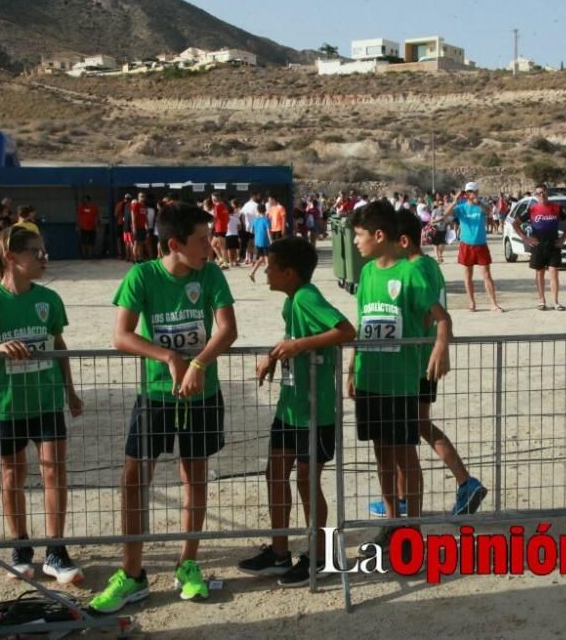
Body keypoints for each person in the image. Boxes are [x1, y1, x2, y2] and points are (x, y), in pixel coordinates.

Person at [90, 201, 237, 613]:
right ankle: (132, 575)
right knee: (134, 479)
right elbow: (121, 335)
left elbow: (227, 328)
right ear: (174, 244)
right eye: (203, 240)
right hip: (154, 396)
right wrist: (169, 358)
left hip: (203, 395)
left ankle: (188, 564)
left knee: (195, 478)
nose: (211, 247)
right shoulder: (141, 276)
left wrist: (198, 364)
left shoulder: (210, 275)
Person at [0, 226, 85, 582]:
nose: (44, 258)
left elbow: (59, 346)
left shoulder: (49, 298)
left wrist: (70, 391)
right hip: (6, 405)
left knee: (54, 472)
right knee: (13, 474)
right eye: (36, 252)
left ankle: (56, 551)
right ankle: (20, 548)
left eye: (44, 251)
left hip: (46, 402)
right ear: (11, 258)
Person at [238, 237, 356, 587]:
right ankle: (278, 552)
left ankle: (320, 557)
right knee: (275, 473)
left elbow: (345, 330)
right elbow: (292, 336)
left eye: (271, 266)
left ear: (289, 272)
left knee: (306, 480)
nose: (266, 271)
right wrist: (275, 356)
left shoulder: (307, 297)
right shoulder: (292, 302)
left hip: (314, 412)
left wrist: (297, 346)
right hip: (289, 407)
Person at [347, 200, 452, 556]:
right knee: (382, 455)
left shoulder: (412, 272)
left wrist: (441, 346)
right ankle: (391, 525)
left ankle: (413, 532)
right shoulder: (366, 274)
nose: (356, 243)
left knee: (405, 455)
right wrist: (351, 367)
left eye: (359, 236)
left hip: (401, 383)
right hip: (369, 380)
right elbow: (362, 323)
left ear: (380, 235)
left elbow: (441, 318)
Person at [367, 210, 486, 518]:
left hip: (416, 363)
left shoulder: (415, 267)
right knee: (412, 428)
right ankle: (409, 497)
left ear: (402, 241)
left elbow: (427, 314)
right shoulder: (429, 264)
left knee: (409, 431)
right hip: (419, 361)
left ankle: (462, 481)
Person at [443, 182, 503, 312]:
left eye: (472, 192)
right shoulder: (461, 207)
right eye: (468, 192)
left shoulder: (481, 206)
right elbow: (446, 214)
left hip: (481, 244)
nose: (470, 194)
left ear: (477, 192)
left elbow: (489, 212)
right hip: (466, 244)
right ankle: (471, 303)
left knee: (486, 274)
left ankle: (493, 303)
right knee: (468, 274)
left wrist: (479, 203)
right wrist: (454, 201)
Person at [514, 184, 566, 311]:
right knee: (539, 273)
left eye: (543, 192)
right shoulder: (532, 209)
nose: (542, 195)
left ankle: (556, 302)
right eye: (539, 193)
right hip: (538, 245)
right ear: (535, 195)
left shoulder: (557, 208)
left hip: (553, 245)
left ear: (547, 193)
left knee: (554, 273)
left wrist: (562, 239)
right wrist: (526, 238)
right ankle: (542, 301)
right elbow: (516, 223)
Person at [248, 203, 272, 282]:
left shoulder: (255, 220)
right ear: (265, 210)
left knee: (261, 258)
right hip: (265, 241)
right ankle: (268, 277)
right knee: (268, 260)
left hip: (257, 241)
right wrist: (271, 240)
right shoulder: (266, 220)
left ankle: (252, 273)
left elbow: (252, 231)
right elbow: (268, 231)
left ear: (258, 210)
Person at [239, 195, 260, 264]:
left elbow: (241, 215)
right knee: (254, 244)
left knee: (249, 243)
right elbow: (258, 216)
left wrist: (244, 224)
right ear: (254, 196)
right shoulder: (256, 205)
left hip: (247, 228)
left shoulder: (246, 204)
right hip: (255, 227)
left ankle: (247, 258)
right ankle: (253, 259)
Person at [209, 193, 229, 268]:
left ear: (214, 198)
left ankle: (225, 263)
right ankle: (221, 259)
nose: (211, 200)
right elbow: (227, 218)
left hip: (219, 228)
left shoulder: (217, 207)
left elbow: (214, 218)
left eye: (212, 198)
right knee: (213, 244)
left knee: (222, 247)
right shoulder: (224, 206)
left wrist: (211, 227)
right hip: (221, 228)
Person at [130, 194, 148, 263]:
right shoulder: (136, 205)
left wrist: (147, 227)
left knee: (141, 243)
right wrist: (134, 228)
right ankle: (135, 258)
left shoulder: (144, 206)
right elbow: (133, 217)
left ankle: (140, 258)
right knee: (136, 243)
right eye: (141, 196)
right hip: (137, 227)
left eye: (143, 196)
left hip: (142, 227)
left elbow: (145, 218)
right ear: (138, 197)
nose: (143, 197)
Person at [225, 198, 241, 267]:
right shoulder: (236, 217)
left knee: (229, 249)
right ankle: (235, 261)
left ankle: (231, 262)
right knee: (234, 249)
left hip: (228, 234)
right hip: (235, 234)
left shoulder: (226, 218)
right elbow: (239, 227)